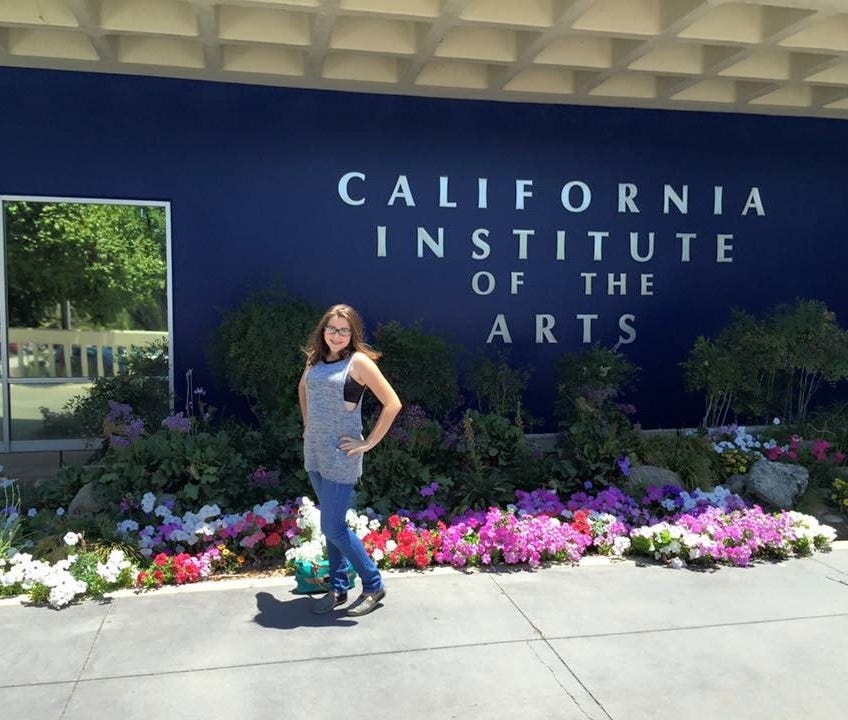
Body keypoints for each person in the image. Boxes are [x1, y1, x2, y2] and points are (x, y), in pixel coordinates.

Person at [298, 304, 402, 616]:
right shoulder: (315, 359)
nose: (337, 335)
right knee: (331, 524)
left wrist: (368, 442)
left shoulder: (357, 362)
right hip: (316, 451)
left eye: (344, 330)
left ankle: (373, 583)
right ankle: (339, 587)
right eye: (332, 328)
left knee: (333, 526)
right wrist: (308, 425)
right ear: (323, 330)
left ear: (352, 333)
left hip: (342, 454)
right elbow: (303, 388)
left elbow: (392, 403)